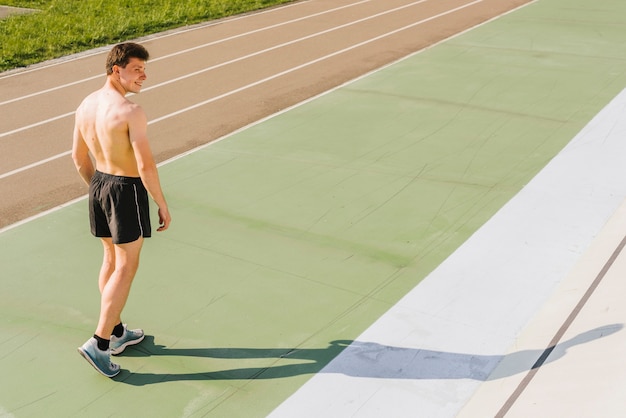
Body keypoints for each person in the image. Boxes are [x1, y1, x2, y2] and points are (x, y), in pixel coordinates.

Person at [71, 42, 171, 377]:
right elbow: (145, 165)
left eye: (144, 68)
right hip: (125, 189)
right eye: (137, 69)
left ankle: (116, 331)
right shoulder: (131, 111)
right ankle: (99, 344)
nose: (144, 75)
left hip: (99, 182)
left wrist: (99, 191)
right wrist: (161, 202)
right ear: (117, 70)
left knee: (111, 260)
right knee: (126, 267)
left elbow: (78, 159)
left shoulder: (86, 104)